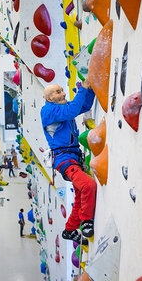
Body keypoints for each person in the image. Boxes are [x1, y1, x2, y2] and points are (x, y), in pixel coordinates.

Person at [40, 81, 97, 243]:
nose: (63, 93)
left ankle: (70, 229)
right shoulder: (49, 111)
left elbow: (83, 107)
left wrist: (91, 90)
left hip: (71, 156)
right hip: (65, 159)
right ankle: (86, 221)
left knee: (80, 193)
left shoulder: (58, 108)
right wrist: (83, 88)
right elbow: (72, 111)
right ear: (49, 98)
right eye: (58, 92)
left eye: (62, 90)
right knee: (88, 185)